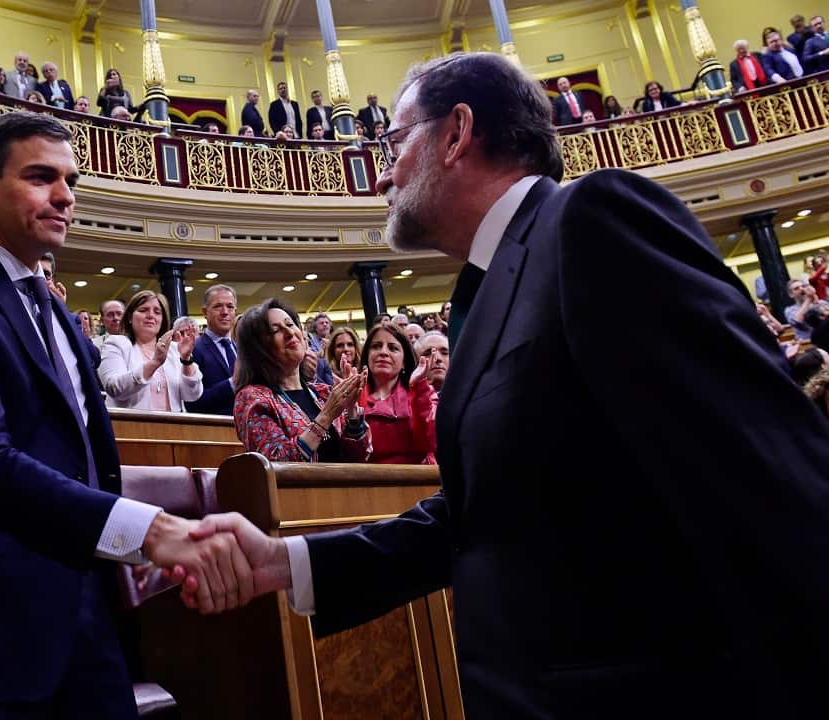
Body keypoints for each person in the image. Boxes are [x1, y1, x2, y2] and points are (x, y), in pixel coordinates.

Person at [187, 51, 829, 718]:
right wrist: (284, 563)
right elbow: (482, 515)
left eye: (393, 141)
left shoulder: (593, 221)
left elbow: (767, 475)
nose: (382, 170)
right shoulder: (490, 287)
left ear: (457, 133)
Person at [0, 111, 252, 718]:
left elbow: (84, 464)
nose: (66, 197)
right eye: (42, 177)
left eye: (70, 182)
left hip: (84, 615)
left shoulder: (55, 316)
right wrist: (150, 531)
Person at [232, 298, 369, 463]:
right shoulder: (252, 398)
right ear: (258, 349)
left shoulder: (323, 393)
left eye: (290, 325)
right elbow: (275, 463)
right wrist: (326, 415)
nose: (290, 333)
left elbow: (358, 458)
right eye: (276, 330)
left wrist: (352, 413)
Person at [98, 290, 202, 412]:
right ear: (130, 317)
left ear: (162, 320)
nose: (150, 315)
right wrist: (154, 363)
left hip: (173, 427)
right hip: (129, 426)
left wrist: (186, 360)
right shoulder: (116, 344)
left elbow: (192, 395)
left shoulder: (173, 349)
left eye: (157, 312)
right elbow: (114, 388)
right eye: (143, 310)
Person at [358, 322, 436, 464]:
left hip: (418, 481)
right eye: (376, 346)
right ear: (367, 356)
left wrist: (419, 389)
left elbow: (430, 442)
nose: (383, 352)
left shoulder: (424, 392)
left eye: (393, 348)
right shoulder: (353, 395)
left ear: (404, 362)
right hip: (364, 482)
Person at [185, 284, 238, 416]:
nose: (225, 311)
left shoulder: (244, 350)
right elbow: (193, 403)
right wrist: (232, 383)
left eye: (230, 306)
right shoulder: (193, 350)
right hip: (214, 430)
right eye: (218, 306)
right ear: (205, 312)